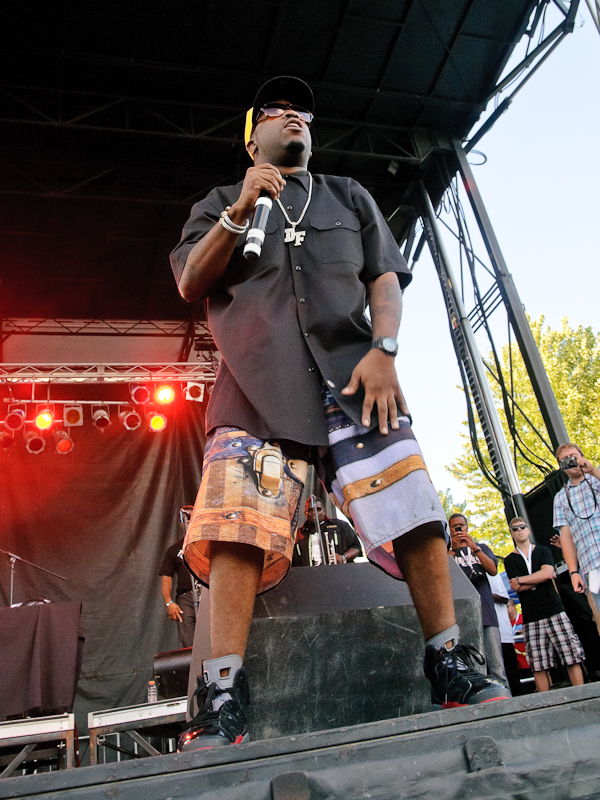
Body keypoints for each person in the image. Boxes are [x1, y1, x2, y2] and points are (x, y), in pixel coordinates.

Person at [170, 75, 508, 751]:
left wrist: (385, 349)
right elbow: (190, 280)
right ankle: (223, 694)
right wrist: (240, 209)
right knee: (237, 527)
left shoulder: (349, 196)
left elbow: (384, 274)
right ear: (251, 137)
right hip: (257, 385)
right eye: (278, 111)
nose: (295, 117)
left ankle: (448, 660)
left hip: (356, 376)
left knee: (413, 506)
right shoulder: (219, 203)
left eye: (303, 113)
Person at [504, 517, 584, 693]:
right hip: (531, 617)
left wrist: (523, 580)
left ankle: (582, 696)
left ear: (528, 529)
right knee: (538, 665)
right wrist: (539, 577)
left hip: (554, 610)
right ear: (511, 533)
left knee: (571, 656)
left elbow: (548, 573)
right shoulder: (509, 560)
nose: (519, 530)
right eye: (515, 529)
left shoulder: (542, 550)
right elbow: (516, 586)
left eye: (522, 527)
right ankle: (545, 704)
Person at [448, 514, 510, 690]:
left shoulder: (481, 548)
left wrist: (474, 548)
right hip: (464, 618)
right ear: (450, 530)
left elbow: (492, 570)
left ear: (467, 527)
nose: (459, 530)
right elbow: (442, 574)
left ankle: (506, 700)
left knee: (497, 665)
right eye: (455, 527)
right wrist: (453, 549)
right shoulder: (447, 553)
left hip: (487, 615)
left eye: (461, 526)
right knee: (476, 666)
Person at [553, 442, 600, 609]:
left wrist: (593, 471)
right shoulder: (560, 498)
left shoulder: (597, 477)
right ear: (561, 466)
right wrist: (573, 572)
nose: (571, 460)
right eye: (565, 459)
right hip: (591, 566)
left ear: (582, 457)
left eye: (574, 456)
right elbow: (566, 538)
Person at [292, 496, 361, 566]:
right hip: (309, 575)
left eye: (318, 509)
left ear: (324, 511)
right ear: (305, 513)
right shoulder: (299, 533)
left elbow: (356, 547)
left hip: (337, 573)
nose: (314, 512)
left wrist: (343, 557)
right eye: (310, 510)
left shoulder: (340, 525)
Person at [487, 571, 523, 696]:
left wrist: (483, 594)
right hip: (486, 633)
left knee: (510, 674)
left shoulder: (492, 574)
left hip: (502, 633)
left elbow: (504, 598)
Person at [159, 538, 197, 649]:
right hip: (185, 597)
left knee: (211, 636)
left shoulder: (207, 543)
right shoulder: (174, 549)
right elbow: (166, 576)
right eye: (187, 520)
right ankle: (190, 665)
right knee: (187, 640)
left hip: (207, 594)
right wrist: (168, 602)